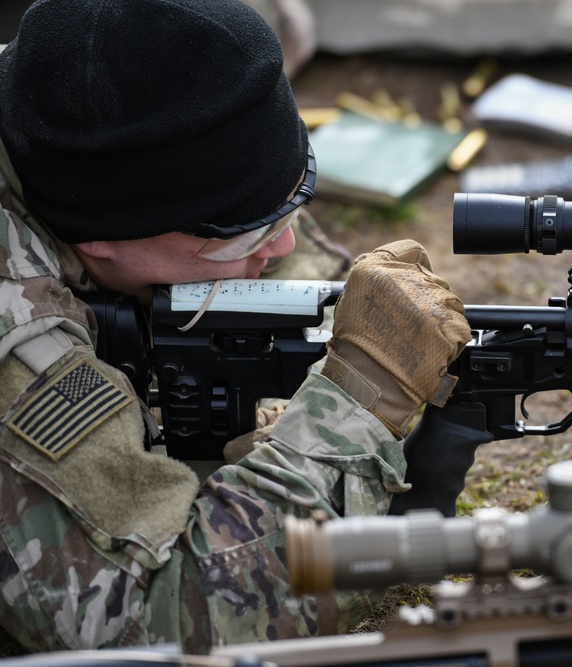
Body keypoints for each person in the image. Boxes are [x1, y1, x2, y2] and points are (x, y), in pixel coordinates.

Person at [0, 0, 469, 654]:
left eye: (292, 202)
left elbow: (272, 247)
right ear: (101, 236)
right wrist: (357, 403)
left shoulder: (83, 110)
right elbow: (162, 625)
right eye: (248, 235)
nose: (281, 247)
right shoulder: (18, 342)